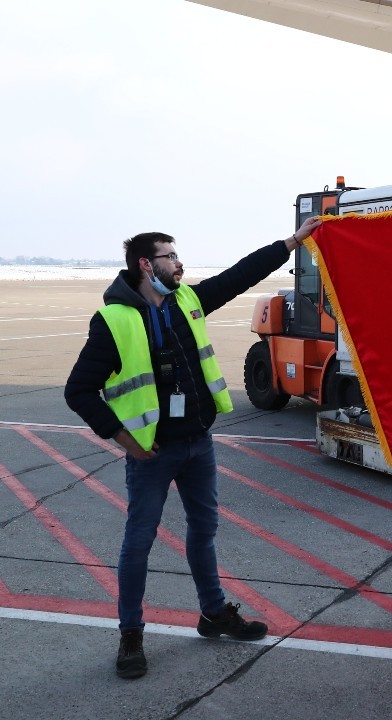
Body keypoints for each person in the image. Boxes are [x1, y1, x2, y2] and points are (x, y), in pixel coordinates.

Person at [64, 216, 322, 679]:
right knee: (138, 544)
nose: (179, 264)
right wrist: (128, 442)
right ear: (146, 265)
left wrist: (291, 242)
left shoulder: (187, 301)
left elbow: (238, 275)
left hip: (198, 444)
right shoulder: (115, 320)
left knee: (203, 532)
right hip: (153, 454)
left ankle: (213, 613)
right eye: (171, 257)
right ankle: (131, 635)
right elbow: (79, 390)